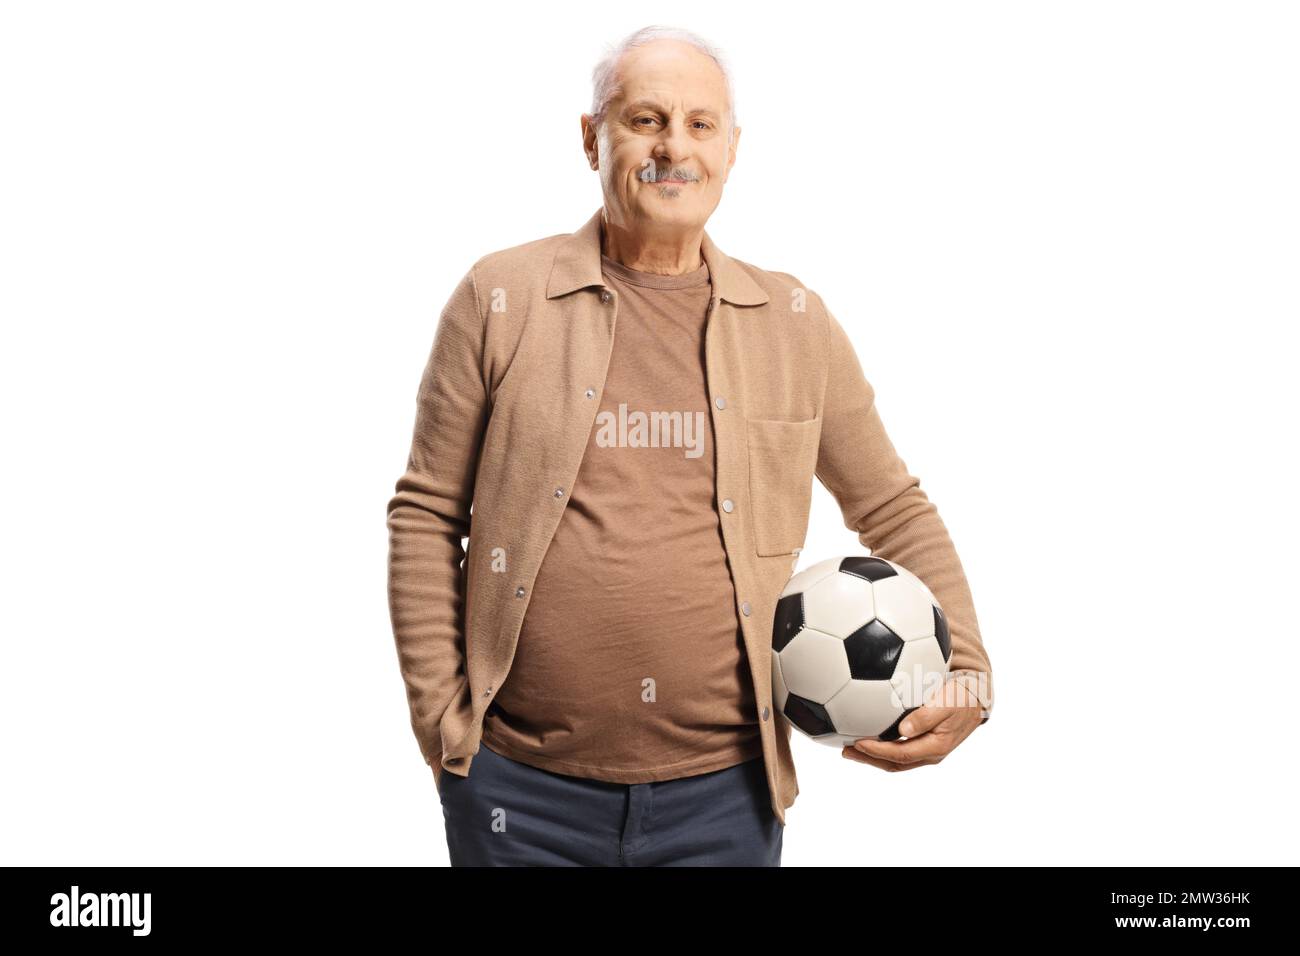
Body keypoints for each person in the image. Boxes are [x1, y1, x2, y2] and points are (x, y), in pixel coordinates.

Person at [386, 24, 994, 867]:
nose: (674, 148)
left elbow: (891, 506)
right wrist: (443, 727)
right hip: (516, 793)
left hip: (727, 798)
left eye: (700, 125)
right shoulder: (502, 297)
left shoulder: (794, 325)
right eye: (646, 119)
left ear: (733, 149)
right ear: (593, 138)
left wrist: (965, 667)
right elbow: (425, 513)